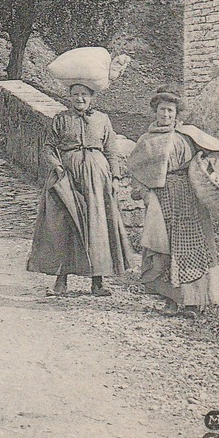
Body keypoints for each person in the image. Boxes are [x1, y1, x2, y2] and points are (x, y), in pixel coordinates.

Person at [27, 82, 135, 295]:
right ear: (69, 96)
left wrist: (114, 177)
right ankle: (61, 281)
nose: (80, 99)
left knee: (97, 226)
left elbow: (112, 150)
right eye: (75, 95)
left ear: (92, 96)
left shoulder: (102, 119)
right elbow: (48, 147)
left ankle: (98, 281)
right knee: (64, 224)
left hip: (97, 178)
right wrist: (57, 167)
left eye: (84, 95)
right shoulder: (61, 119)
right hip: (67, 176)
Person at [127, 89, 219, 317]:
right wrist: (143, 192)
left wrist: (207, 168)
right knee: (164, 248)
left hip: (189, 198)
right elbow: (138, 172)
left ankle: (192, 302)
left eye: (170, 111)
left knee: (190, 247)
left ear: (177, 114)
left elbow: (216, 154)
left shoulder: (189, 136)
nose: (166, 115)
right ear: (155, 111)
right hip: (162, 200)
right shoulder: (147, 140)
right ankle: (170, 301)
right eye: (162, 110)